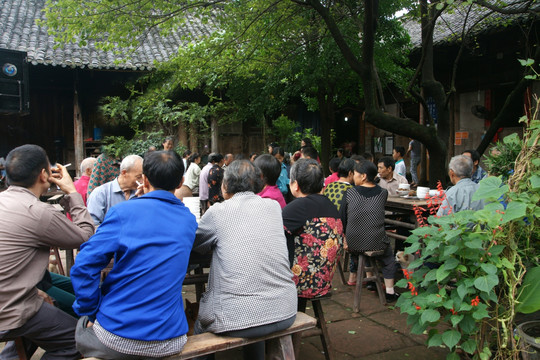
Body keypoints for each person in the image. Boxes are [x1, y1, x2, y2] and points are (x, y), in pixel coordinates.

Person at [71, 150, 197, 359]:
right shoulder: (188, 220)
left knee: (81, 326)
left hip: (118, 338)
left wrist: (91, 310)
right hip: (171, 339)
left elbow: (84, 265)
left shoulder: (123, 212)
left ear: (144, 179)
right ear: (181, 181)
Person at [193, 160, 297, 360]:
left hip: (237, 319)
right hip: (285, 309)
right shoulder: (273, 206)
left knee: (200, 325)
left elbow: (196, 244)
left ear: (226, 185)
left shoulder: (217, 212)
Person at [0, 144, 95, 360]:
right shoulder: (37, 212)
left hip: (15, 295)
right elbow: (85, 237)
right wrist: (72, 192)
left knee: (44, 312)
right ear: (44, 175)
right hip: (11, 309)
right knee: (81, 341)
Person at [282, 159, 344, 310]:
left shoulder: (297, 207)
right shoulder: (330, 206)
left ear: (295, 184)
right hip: (323, 281)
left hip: (300, 283)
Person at [340, 160, 400, 302]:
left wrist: (345, 238)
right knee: (388, 257)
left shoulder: (349, 193)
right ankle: (390, 291)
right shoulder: (382, 193)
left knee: (365, 242)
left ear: (363, 176)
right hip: (375, 241)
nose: (353, 177)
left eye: (355, 174)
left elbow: (342, 218)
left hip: (353, 243)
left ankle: (371, 281)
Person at [87, 155, 143, 226]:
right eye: (138, 177)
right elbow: (93, 225)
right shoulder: (101, 193)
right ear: (124, 173)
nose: (142, 181)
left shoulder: (140, 193)